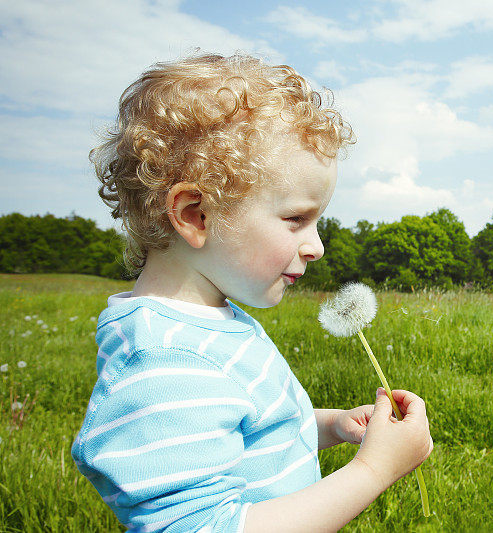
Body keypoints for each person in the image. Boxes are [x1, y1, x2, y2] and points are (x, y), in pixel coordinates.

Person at [71, 52, 433, 532]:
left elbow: (243, 430)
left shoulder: (210, 325)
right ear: (195, 215)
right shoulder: (166, 362)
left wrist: (327, 426)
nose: (317, 246)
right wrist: (375, 471)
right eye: (296, 219)